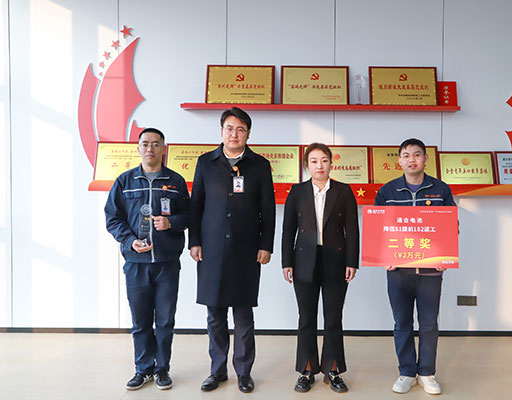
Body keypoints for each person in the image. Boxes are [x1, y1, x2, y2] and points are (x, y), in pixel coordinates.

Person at [189, 107, 275, 393]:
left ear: (248, 133)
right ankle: (217, 371)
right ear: (221, 131)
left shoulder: (260, 166)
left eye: (240, 129)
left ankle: (243, 372)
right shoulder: (206, 163)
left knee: (243, 315)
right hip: (211, 250)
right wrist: (194, 241)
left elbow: (267, 210)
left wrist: (265, 245)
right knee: (215, 315)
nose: (234, 134)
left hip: (246, 250)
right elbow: (196, 206)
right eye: (229, 128)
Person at [105, 128, 190, 391]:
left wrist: (170, 222)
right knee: (140, 321)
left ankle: (162, 369)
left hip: (167, 263)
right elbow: (113, 218)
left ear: (164, 148)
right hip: (136, 264)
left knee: (165, 321)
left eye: (155, 144)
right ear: (138, 148)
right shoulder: (125, 181)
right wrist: (130, 241)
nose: (150, 148)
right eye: (145, 144)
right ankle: (143, 369)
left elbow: (189, 216)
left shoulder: (175, 181)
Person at [374, 138, 456, 395]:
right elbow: (378, 230)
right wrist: (382, 257)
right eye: (407, 155)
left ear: (425, 159)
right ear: (399, 160)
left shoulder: (440, 190)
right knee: (402, 323)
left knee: (429, 324)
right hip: (398, 271)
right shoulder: (387, 192)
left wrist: (445, 256)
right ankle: (407, 372)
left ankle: (427, 373)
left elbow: (452, 226)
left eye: (417, 154)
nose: (412, 159)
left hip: (431, 272)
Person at [281, 143, 359, 393]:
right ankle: (306, 370)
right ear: (307, 165)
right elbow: (288, 230)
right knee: (306, 318)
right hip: (304, 260)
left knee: (333, 318)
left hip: (336, 261)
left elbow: (352, 230)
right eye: (314, 161)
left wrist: (352, 262)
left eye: (324, 160)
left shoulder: (344, 191)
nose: (320, 166)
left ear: (331, 163)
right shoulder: (297, 192)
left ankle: (332, 370)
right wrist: (286, 262)